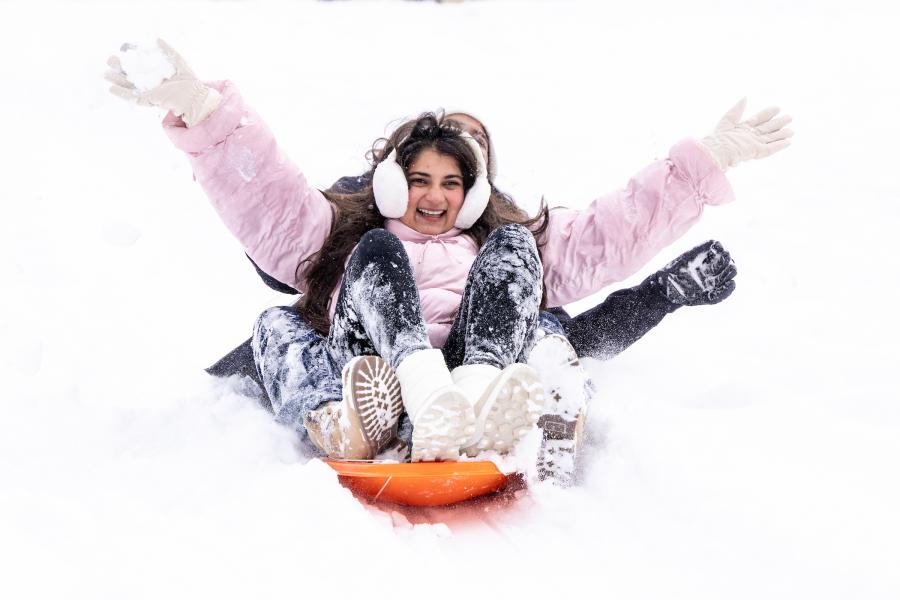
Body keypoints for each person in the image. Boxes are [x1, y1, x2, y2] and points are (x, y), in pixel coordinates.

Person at [105, 40, 792, 467]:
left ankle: (519, 404)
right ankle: (342, 420)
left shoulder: (508, 240)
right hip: (373, 370)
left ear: (477, 186)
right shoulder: (344, 231)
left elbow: (612, 231)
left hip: (473, 380)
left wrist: (703, 164)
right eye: (420, 178)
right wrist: (205, 110)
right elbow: (268, 199)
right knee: (287, 318)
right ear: (391, 178)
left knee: (539, 309)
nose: (435, 193)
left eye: (457, 176)